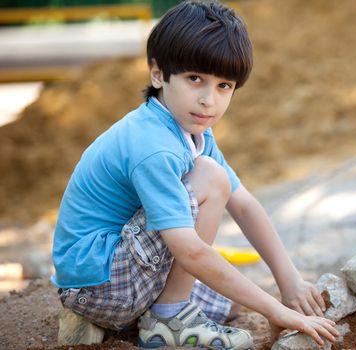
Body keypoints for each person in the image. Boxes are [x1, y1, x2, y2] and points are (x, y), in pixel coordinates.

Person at [51, 1, 339, 349]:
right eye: (194, 79)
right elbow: (190, 252)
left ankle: (165, 311)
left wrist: (288, 279)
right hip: (99, 282)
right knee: (210, 178)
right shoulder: (154, 145)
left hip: (112, 274)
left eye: (224, 86)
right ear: (158, 74)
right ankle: (167, 318)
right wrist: (275, 310)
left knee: (225, 303)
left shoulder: (191, 130)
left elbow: (243, 204)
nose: (208, 100)